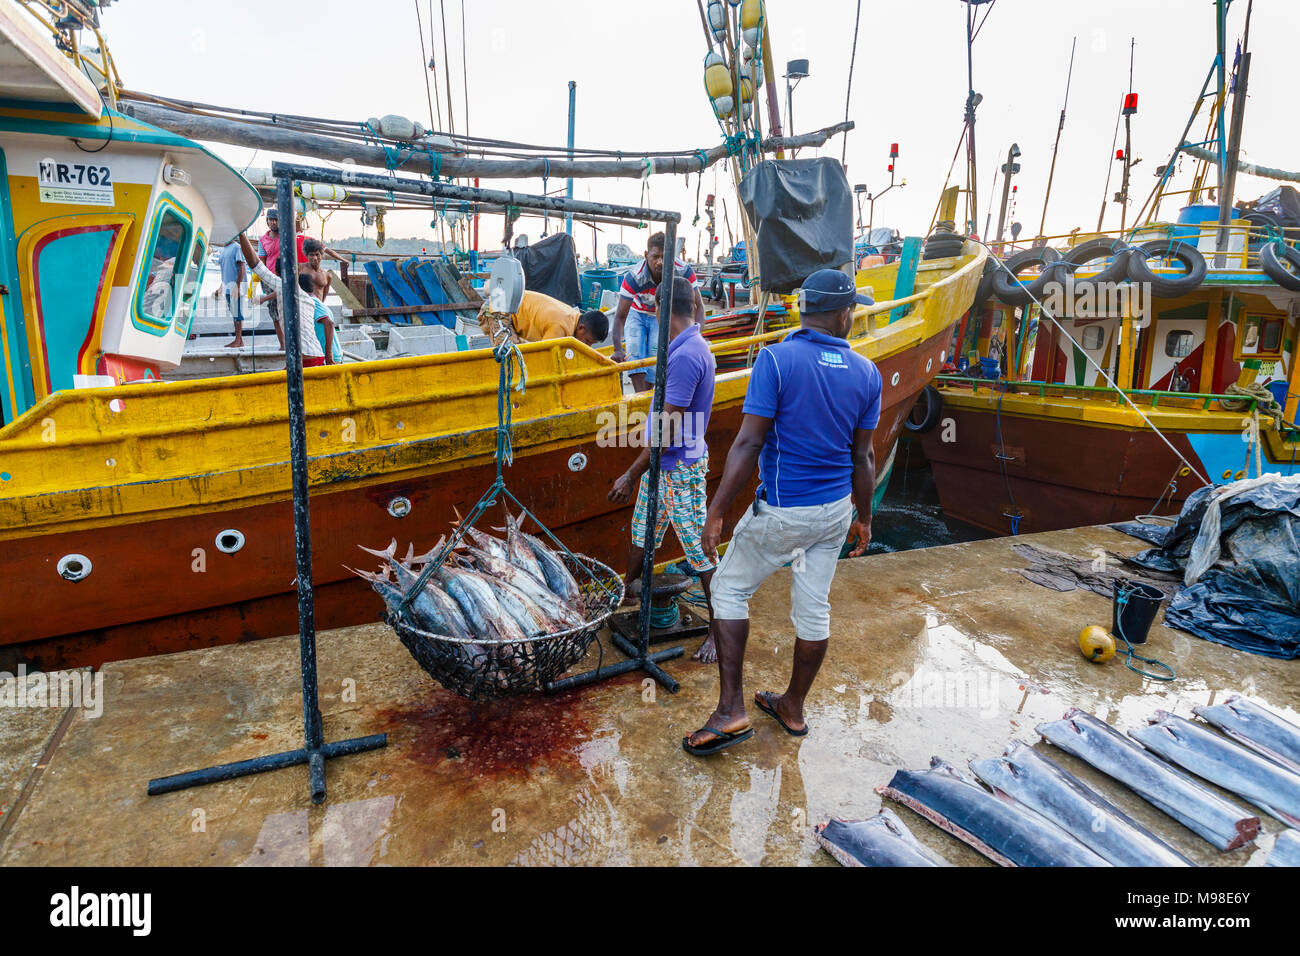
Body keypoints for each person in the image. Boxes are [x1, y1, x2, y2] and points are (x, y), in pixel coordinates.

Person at [683, 269, 881, 757]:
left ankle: (731, 711)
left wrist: (717, 511)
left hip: (784, 510)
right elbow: (865, 458)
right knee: (814, 606)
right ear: (843, 313)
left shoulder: (776, 360)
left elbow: (749, 441)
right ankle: (792, 707)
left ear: (804, 309)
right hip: (835, 511)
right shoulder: (867, 373)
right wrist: (866, 516)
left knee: (729, 588)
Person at [609, 277, 717, 620]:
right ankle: (628, 594)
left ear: (662, 309)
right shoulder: (684, 347)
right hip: (663, 463)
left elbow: (668, 430)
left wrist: (629, 474)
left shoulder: (686, 356)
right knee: (643, 530)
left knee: (699, 552)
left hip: (679, 466)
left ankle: (719, 628)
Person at [611, 232, 705, 392]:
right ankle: (641, 397)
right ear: (646, 255)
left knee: (657, 352)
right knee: (634, 350)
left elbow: (699, 307)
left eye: (665, 257)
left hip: (659, 315)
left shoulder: (683, 271)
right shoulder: (634, 277)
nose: (660, 262)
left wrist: (696, 337)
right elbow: (620, 317)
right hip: (637, 313)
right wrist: (618, 348)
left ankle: (648, 396)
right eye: (655, 257)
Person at [236, 232, 331, 367]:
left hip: (304, 356)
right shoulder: (309, 298)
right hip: (315, 354)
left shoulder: (284, 285)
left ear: (278, 274)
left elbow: (255, 265)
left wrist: (241, 233)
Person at [218, 240, 247, 348]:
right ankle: (239, 341)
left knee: (237, 314)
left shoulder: (236, 247)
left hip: (235, 287)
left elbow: (242, 267)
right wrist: (220, 287)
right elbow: (224, 271)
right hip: (227, 287)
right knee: (234, 313)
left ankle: (238, 340)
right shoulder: (224, 249)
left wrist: (238, 286)